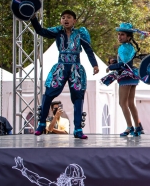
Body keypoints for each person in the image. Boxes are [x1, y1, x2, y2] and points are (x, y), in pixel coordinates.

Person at [30, 10, 99, 139]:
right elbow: (40, 31)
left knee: (78, 97)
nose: (65, 19)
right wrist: (33, 18)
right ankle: (41, 124)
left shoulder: (80, 33)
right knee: (48, 93)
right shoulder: (57, 31)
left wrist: (94, 65)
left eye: (68, 17)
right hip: (61, 66)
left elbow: (89, 50)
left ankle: (78, 129)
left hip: (75, 68)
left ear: (74, 21)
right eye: (63, 17)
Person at [102, 23, 147, 137]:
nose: (120, 36)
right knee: (131, 103)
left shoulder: (123, 47)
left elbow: (123, 64)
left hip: (125, 76)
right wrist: (115, 63)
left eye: (122, 34)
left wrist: (111, 67)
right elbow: (126, 63)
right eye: (119, 34)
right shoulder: (130, 47)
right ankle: (137, 127)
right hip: (133, 75)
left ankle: (129, 127)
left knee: (122, 103)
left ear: (129, 37)